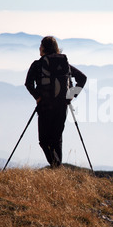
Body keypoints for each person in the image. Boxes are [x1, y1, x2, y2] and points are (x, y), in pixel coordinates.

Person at [25, 36, 87, 168]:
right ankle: (57, 167)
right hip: (61, 107)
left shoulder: (38, 64)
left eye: (40, 46)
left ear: (43, 48)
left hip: (45, 107)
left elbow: (28, 83)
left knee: (44, 141)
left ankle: (56, 165)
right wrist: (71, 95)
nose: (39, 48)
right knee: (57, 139)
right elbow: (82, 78)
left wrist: (38, 97)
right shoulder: (63, 64)